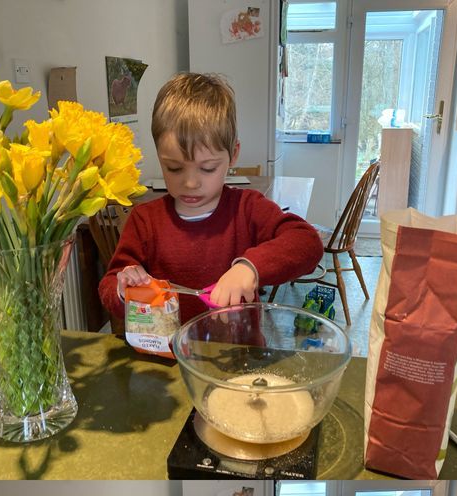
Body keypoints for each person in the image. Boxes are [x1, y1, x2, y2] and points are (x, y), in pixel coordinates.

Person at [97, 73, 322, 323]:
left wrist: (250, 267)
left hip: (237, 356)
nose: (191, 183)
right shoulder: (145, 220)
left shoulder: (247, 209)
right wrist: (123, 286)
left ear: (233, 155)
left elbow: (307, 242)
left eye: (208, 168)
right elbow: (109, 285)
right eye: (174, 168)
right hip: (168, 356)